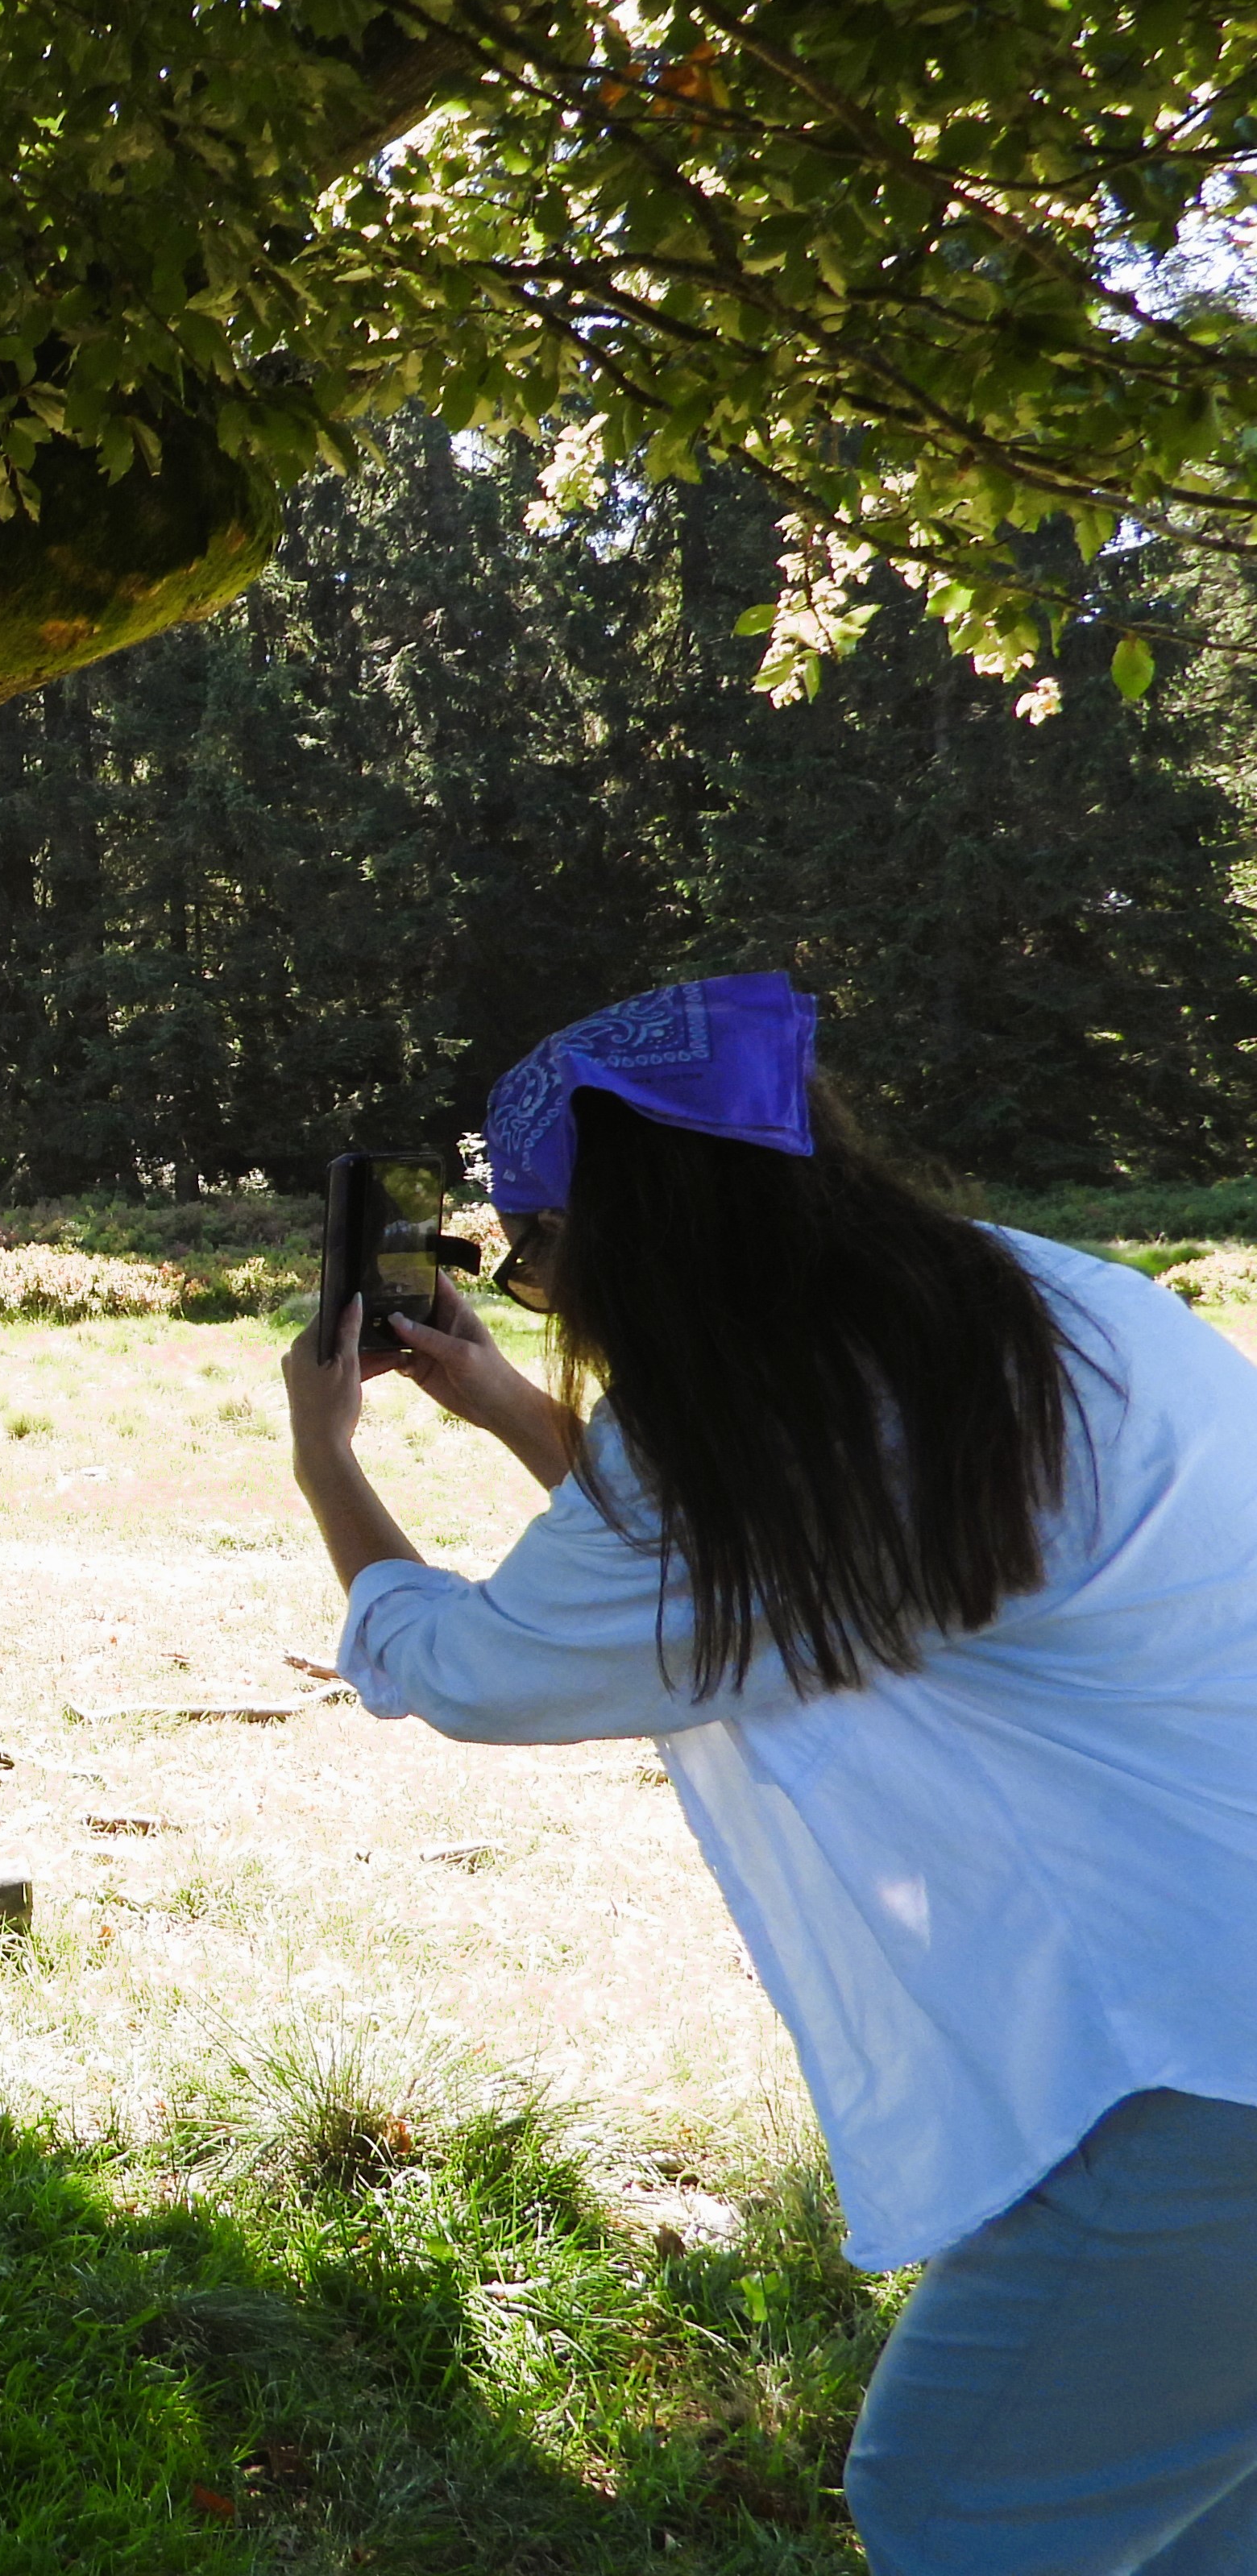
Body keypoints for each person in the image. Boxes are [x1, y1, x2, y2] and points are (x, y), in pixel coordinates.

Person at [277, 971, 1257, 2575]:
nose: (539, 1297)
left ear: (627, 1238)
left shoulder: (784, 1415)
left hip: (1207, 2072)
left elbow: (470, 1668)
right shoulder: (1017, 1309)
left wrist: (326, 1458)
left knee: (956, 2505)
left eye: (530, 1258)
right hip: (1216, 2011)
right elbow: (770, 1566)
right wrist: (512, 1406)